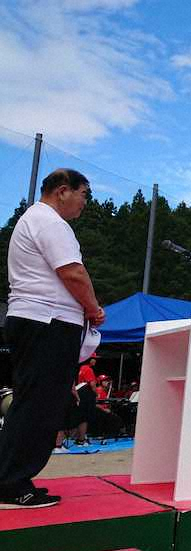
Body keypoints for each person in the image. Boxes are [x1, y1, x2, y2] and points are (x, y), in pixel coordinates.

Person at [0, 169, 104, 510]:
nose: (85, 203)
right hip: (46, 321)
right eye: (83, 194)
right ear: (63, 191)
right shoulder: (50, 222)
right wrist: (92, 308)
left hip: (39, 320)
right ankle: (11, 482)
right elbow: (73, 272)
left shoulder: (36, 221)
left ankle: (15, 478)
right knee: (37, 404)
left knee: (38, 401)